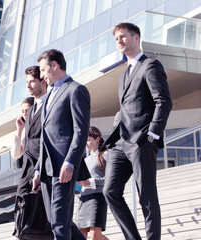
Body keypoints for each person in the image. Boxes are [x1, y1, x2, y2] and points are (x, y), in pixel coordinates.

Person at [103, 23, 172, 240]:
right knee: (110, 191)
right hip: (121, 142)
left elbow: (163, 101)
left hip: (142, 139)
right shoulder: (124, 74)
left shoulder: (150, 65)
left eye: (123, 36)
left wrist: (153, 133)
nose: (119, 41)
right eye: (116, 38)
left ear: (136, 38)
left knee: (147, 197)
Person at [33, 49, 90, 240]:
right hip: (47, 169)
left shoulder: (75, 90)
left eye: (43, 70)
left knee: (59, 223)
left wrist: (70, 162)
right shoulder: (48, 96)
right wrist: (38, 170)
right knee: (57, 221)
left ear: (55, 65)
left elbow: (81, 131)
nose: (41, 76)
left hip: (64, 167)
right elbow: (46, 136)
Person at [12, 66, 51, 239]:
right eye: (26, 82)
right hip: (26, 173)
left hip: (41, 169)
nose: (28, 85)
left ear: (43, 80)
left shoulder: (47, 107)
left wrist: (39, 171)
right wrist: (19, 132)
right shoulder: (30, 117)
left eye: (32, 81)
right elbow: (16, 154)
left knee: (46, 220)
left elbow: (47, 142)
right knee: (22, 218)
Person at [76, 126, 108, 240]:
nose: (86, 143)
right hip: (83, 199)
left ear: (97, 139)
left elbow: (111, 179)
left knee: (95, 236)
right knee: (80, 237)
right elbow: (80, 183)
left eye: (88, 139)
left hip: (97, 198)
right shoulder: (85, 160)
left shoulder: (106, 155)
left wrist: (90, 182)